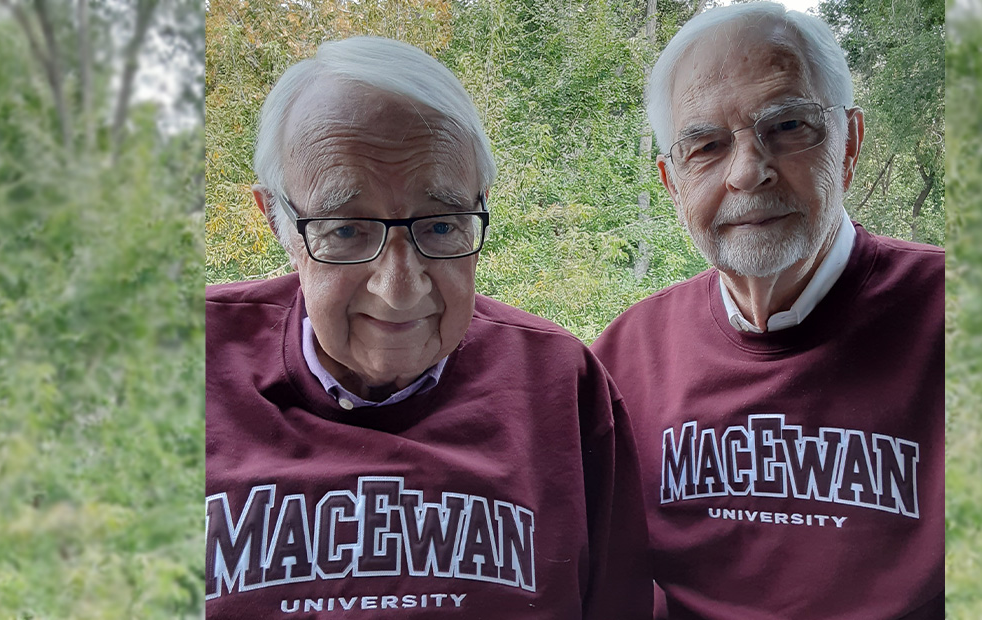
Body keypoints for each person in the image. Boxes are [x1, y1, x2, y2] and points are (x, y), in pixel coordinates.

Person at [205, 37, 651, 619]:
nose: (399, 288)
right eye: (346, 231)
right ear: (278, 222)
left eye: (440, 226)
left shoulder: (558, 382)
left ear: (480, 204)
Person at [590, 4, 944, 619]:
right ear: (673, 183)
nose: (749, 172)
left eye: (787, 127)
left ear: (850, 144)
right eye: (705, 145)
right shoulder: (625, 359)